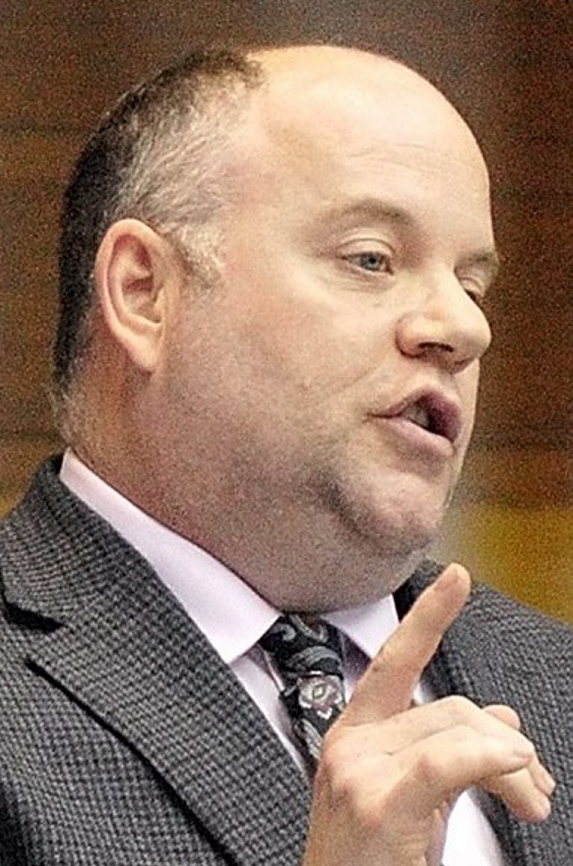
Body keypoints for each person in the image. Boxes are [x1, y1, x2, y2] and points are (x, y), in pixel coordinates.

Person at [0, 44, 570, 866]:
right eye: (370, 259)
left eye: (472, 286)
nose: (462, 329)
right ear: (142, 292)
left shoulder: (557, 684)